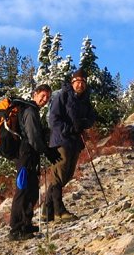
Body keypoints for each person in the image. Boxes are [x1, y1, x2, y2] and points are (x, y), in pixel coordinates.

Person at [42, 68, 96, 222]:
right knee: (59, 175)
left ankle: (47, 210)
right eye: (77, 81)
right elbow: (53, 120)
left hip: (74, 142)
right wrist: (71, 128)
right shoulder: (62, 96)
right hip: (60, 140)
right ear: (72, 82)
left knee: (67, 175)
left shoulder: (84, 99)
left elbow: (92, 116)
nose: (80, 85)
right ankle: (59, 211)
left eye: (83, 82)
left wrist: (84, 123)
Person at [9, 84, 61, 241]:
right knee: (23, 189)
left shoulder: (33, 111)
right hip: (26, 154)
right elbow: (33, 137)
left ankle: (26, 223)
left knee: (31, 188)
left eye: (47, 97)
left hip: (30, 155)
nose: (44, 100)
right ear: (35, 94)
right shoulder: (30, 111)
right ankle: (16, 228)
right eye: (42, 96)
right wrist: (46, 151)